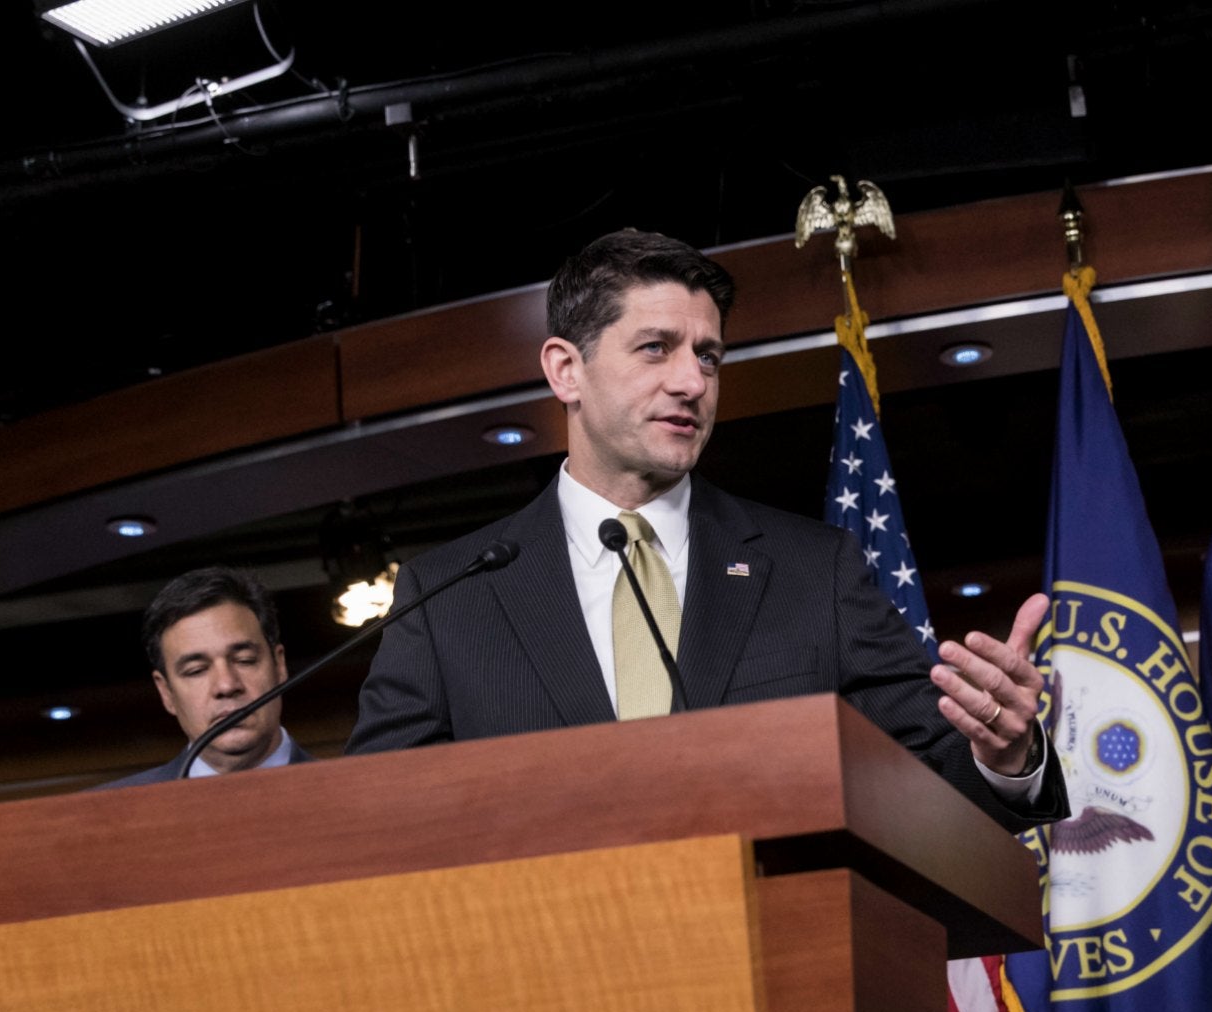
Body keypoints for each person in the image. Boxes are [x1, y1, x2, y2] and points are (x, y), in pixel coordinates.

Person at [346, 229, 1063, 830]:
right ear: (567, 370)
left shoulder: (815, 572)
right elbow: (366, 823)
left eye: (709, 355)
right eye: (656, 348)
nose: (692, 382)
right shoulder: (446, 599)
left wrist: (1004, 757)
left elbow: (938, 775)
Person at [103, 566, 312, 788]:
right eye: (196, 671)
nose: (226, 685)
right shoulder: (104, 814)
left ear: (279, 665)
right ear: (166, 693)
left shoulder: (349, 793)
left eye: (244, 660)